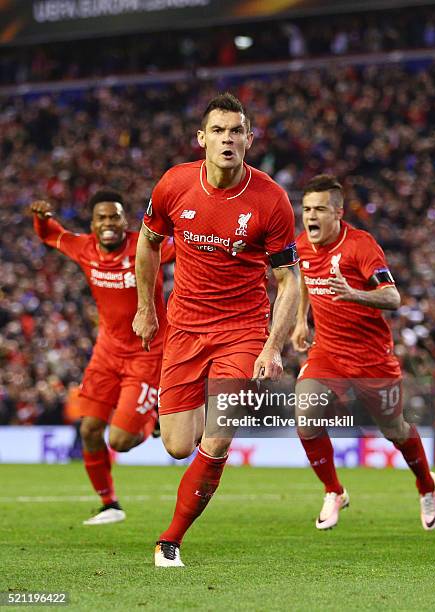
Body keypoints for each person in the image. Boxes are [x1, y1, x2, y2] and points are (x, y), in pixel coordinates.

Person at [133, 92, 300, 566]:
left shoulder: (270, 199)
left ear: (250, 138)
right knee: (177, 446)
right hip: (184, 326)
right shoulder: (174, 185)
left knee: (219, 436)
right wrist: (147, 308)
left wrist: (271, 346)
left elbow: (289, 279)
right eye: (219, 131)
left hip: (242, 330)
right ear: (201, 139)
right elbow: (147, 245)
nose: (228, 139)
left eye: (237, 131)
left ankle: (170, 539)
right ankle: (161, 413)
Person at [291, 174, 435, 531]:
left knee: (395, 430)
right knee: (306, 417)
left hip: (372, 359)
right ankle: (334, 490)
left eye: (320, 210)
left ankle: (426, 484)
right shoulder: (303, 244)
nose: (310, 216)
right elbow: (304, 278)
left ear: (339, 213)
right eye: (307, 209)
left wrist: (354, 294)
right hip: (327, 352)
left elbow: (392, 297)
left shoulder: (361, 246)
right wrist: (301, 321)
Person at [31, 191, 174, 525]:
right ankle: (110, 504)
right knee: (90, 430)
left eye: (115, 217)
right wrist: (41, 217)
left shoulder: (146, 245)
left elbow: (189, 247)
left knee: (121, 441)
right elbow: (50, 234)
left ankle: (153, 419)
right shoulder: (84, 248)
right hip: (106, 354)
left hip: (145, 354)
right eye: (102, 218)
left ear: (126, 221)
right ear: (93, 224)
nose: (109, 224)